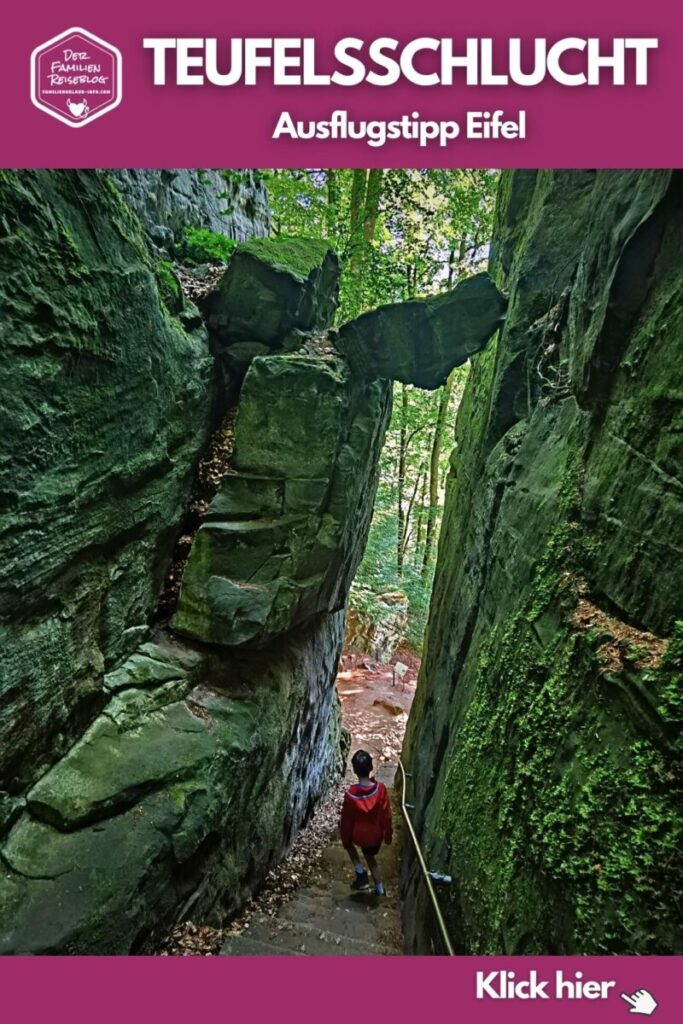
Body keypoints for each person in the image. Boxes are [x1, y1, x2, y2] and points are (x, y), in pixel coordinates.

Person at [340, 749, 393, 896]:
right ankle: (380, 889)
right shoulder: (381, 790)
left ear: (354, 770)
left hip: (358, 835)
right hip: (376, 836)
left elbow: (346, 821)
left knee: (349, 845)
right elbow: (386, 815)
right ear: (371, 767)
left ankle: (360, 872)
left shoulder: (351, 795)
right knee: (371, 857)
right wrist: (387, 836)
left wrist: (345, 839)